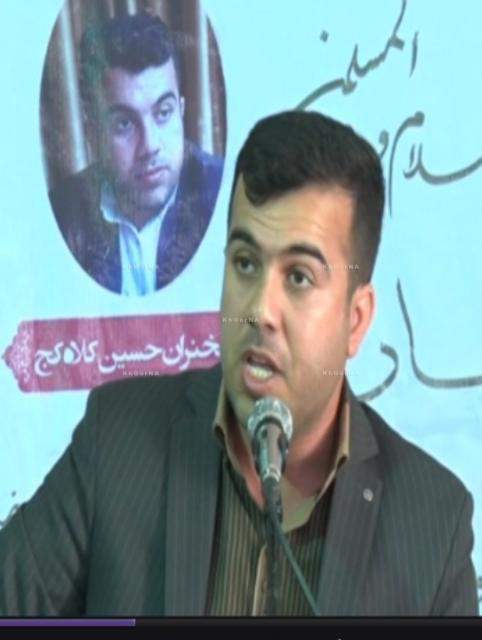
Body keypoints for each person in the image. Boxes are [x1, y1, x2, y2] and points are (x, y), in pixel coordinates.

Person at [0, 111, 478, 616]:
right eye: (245, 264)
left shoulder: (432, 527)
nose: (259, 310)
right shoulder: (119, 440)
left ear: (355, 320)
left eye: (298, 277)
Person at [49, 12, 223, 295]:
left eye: (163, 113)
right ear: (92, 131)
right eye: (124, 124)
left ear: (181, 110)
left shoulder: (226, 198)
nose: (150, 146)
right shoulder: (62, 215)